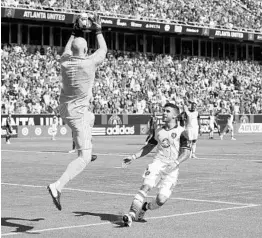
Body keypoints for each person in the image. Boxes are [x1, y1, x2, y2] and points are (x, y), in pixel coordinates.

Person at [47, 14, 107, 211]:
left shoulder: (65, 62)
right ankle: (57, 186)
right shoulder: (88, 63)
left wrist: (74, 31)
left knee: (92, 117)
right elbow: (103, 50)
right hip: (77, 115)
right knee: (84, 158)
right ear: (86, 50)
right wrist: (97, 30)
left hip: (65, 109)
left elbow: (67, 50)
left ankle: (86, 147)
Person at [122, 103, 192, 227]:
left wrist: (175, 163)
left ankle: (145, 207)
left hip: (172, 169)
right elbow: (148, 147)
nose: (164, 113)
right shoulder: (158, 131)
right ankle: (131, 214)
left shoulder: (182, 132)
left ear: (175, 115)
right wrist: (133, 157)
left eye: (167, 111)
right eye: (163, 110)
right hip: (157, 164)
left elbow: (186, 153)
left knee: (161, 200)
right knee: (146, 186)